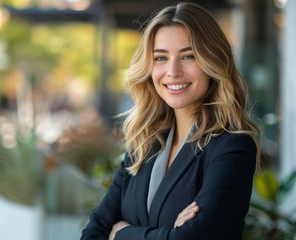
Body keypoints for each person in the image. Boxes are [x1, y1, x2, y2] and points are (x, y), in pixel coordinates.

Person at [81, 2, 261, 240]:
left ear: (212, 61)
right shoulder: (144, 145)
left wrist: (121, 234)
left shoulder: (231, 147)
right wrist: (168, 234)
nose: (173, 71)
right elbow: (92, 234)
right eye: (161, 58)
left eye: (188, 56)